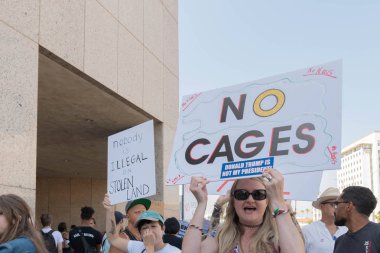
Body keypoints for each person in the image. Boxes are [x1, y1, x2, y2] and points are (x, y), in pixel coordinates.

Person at [182, 168, 304, 253]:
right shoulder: (222, 235)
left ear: (267, 201)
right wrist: (202, 203)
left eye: (258, 194)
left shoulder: (279, 234)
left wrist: (278, 201)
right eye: (242, 194)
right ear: (233, 201)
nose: (250, 199)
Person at [103, 195, 181, 253]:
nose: (149, 231)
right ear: (140, 232)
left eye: (153, 226)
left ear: (163, 229)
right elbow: (113, 238)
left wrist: (150, 248)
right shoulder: (136, 246)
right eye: (144, 228)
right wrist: (110, 210)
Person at [333, 186, 380, 253]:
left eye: (337, 204)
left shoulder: (377, 233)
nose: (334, 210)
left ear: (349, 206)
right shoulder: (339, 242)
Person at [302, 187, 347, 253]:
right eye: (333, 204)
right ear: (321, 206)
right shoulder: (308, 230)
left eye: (338, 204)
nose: (336, 207)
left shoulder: (347, 230)